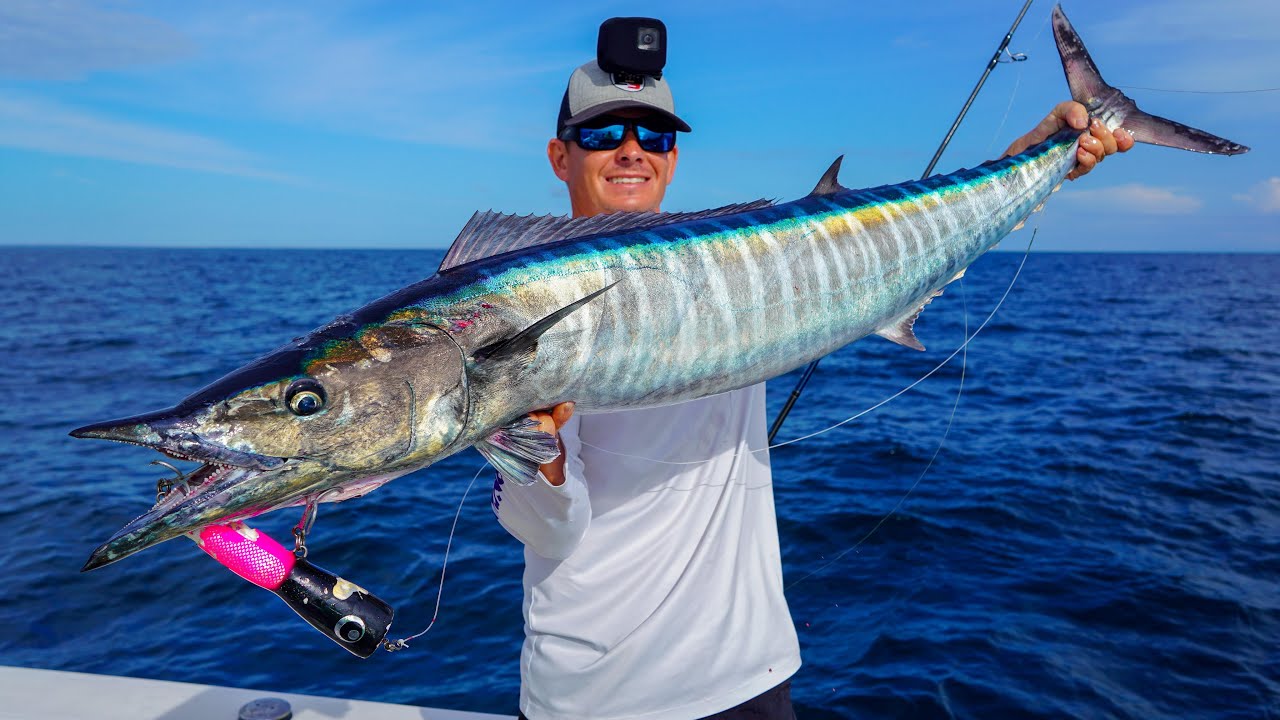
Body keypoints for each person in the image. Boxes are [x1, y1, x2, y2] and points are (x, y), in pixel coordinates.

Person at [492, 48, 1133, 720]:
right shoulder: (517, 305)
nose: (631, 151)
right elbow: (548, 532)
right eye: (600, 134)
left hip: (749, 681)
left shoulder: (741, 260)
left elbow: (909, 239)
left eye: (651, 135)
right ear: (559, 157)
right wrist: (543, 457)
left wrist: (1038, 155)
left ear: (672, 158)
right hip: (592, 701)